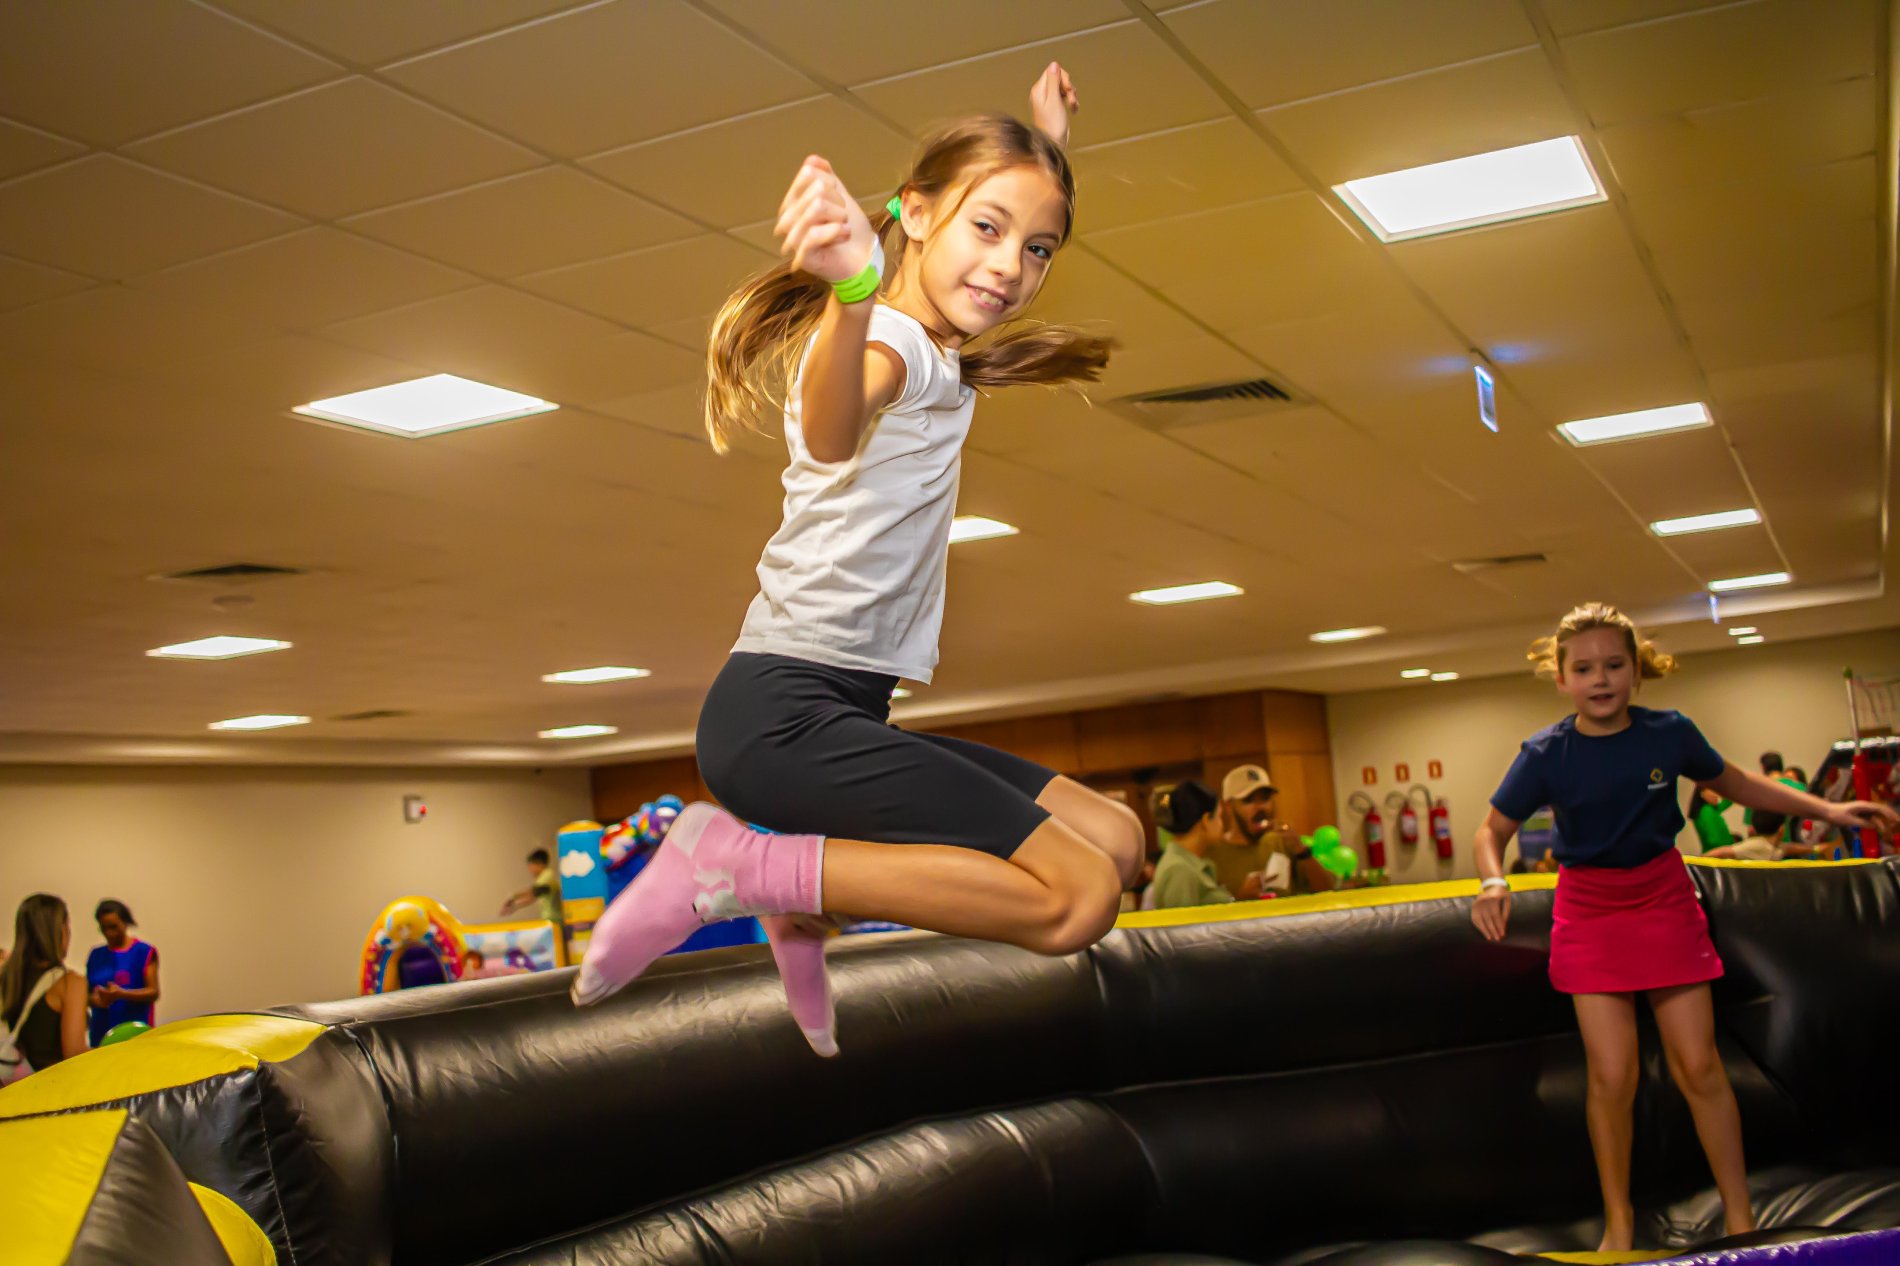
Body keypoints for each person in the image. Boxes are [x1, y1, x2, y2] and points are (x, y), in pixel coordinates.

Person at [572, 67, 1141, 1061]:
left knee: (1118, 840)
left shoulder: (933, 344)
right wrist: (850, 294)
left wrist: (1047, 141)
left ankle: (801, 902)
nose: (1011, 266)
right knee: (1078, 898)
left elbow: (1007, 212)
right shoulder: (891, 343)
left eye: (1037, 248)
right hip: (781, 721)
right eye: (986, 229)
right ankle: (742, 870)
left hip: (834, 710)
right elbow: (836, 427)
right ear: (912, 214)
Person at [1469, 602, 1898, 1252]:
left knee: (1699, 1066)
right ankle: (1618, 1223)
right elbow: (1491, 831)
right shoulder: (1545, 753)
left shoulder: (1669, 733)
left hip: (1662, 900)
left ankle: (1741, 1219)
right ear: (1561, 678)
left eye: (1614, 664)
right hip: (1589, 911)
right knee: (1612, 1077)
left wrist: (1832, 812)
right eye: (1583, 669)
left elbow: (1742, 784)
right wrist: (1493, 880)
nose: (1600, 679)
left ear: (1636, 671)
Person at [2, 894, 87, 1079]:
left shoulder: (7, 976)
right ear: (59, 930)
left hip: (13, 1087)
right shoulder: (70, 983)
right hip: (53, 1088)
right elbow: (74, 1054)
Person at [1149, 781, 1263, 909]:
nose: (1222, 825)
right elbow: (1186, 922)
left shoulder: (1188, 864)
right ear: (1206, 820)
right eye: (1219, 817)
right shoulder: (1180, 870)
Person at [86, 898, 159, 1047]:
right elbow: (85, 995)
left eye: (113, 927)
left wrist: (122, 994)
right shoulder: (96, 955)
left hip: (134, 1034)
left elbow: (153, 991)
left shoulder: (143, 952)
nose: (109, 933)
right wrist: (95, 999)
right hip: (100, 1034)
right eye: (104, 928)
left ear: (125, 923)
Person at [500, 848, 562, 924]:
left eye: (531, 866)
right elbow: (533, 895)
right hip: (551, 920)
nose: (530, 870)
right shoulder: (544, 877)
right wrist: (514, 901)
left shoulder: (547, 876)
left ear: (539, 863)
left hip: (555, 920)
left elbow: (533, 894)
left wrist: (513, 900)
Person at [1686, 786, 1735, 852]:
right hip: (1719, 853)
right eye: (1713, 791)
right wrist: (1732, 849)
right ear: (1702, 793)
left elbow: (1727, 802)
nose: (1716, 795)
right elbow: (1714, 840)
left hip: (1715, 852)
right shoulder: (1707, 811)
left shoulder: (1708, 809)